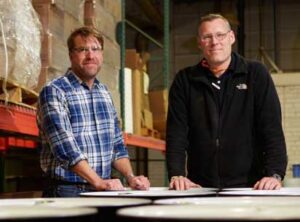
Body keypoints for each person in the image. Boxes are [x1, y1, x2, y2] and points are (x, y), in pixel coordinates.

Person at [166, 14, 287, 191]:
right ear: (199, 43)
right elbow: (176, 134)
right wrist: (176, 174)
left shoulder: (255, 74)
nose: (215, 42)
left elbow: (272, 128)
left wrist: (275, 174)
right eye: (207, 37)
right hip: (200, 186)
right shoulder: (185, 80)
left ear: (231, 37)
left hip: (250, 186)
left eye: (220, 35)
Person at [37, 26, 150, 197]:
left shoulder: (103, 92)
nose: (90, 55)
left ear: (102, 54)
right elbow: (65, 149)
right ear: (71, 55)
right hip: (67, 190)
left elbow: (117, 146)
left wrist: (130, 177)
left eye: (95, 49)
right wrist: (98, 182)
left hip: (101, 190)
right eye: (82, 49)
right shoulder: (54, 91)